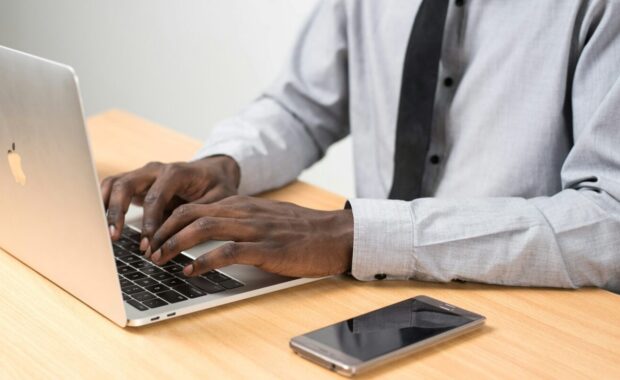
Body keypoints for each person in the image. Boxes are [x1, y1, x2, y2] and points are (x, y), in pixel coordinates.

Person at [101, 0, 620, 292]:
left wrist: (351, 233)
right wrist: (227, 164)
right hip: (369, 287)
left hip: (526, 305)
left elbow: (609, 220)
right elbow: (303, 104)